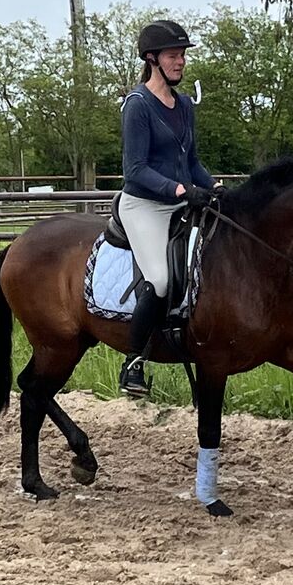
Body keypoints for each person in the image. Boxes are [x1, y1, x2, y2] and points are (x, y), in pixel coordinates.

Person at [118, 20, 225, 397]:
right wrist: (180, 188)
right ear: (152, 59)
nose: (181, 62)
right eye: (173, 56)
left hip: (182, 202)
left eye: (182, 55)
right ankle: (133, 361)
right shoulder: (137, 105)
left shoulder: (183, 106)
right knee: (161, 280)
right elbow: (135, 170)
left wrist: (212, 187)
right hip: (144, 206)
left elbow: (192, 160)